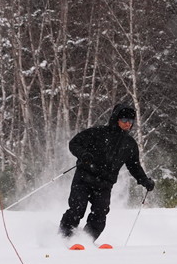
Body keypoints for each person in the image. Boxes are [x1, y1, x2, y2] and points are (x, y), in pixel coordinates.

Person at [59, 103, 154, 243]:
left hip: (104, 185)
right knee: (77, 209)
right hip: (84, 179)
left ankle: (85, 240)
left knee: (100, 214)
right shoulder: (97, 133)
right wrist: (83, 154)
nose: (128, 124)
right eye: (124, 120)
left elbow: (134, 166)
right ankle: (63, 238)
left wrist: (144, 180)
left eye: (131, 121)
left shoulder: (130, 144)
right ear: (116, 119)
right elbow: (74, 143)